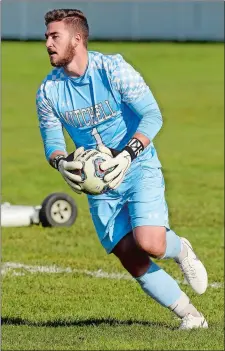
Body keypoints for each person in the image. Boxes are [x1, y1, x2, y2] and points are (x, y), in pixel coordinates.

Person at [36, 8, 208, 329]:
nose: (47, 42)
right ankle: (191, 316)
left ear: (77, 39)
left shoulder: (113, 69)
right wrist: (62, 163)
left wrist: (127, 154)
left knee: (150, 243)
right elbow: (52, 142)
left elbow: (152, 115)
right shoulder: (48, 91)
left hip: (137, 165)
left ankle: (180, 249)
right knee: (130, 256)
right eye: (47, 36)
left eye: (54, 36)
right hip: (98, 184)